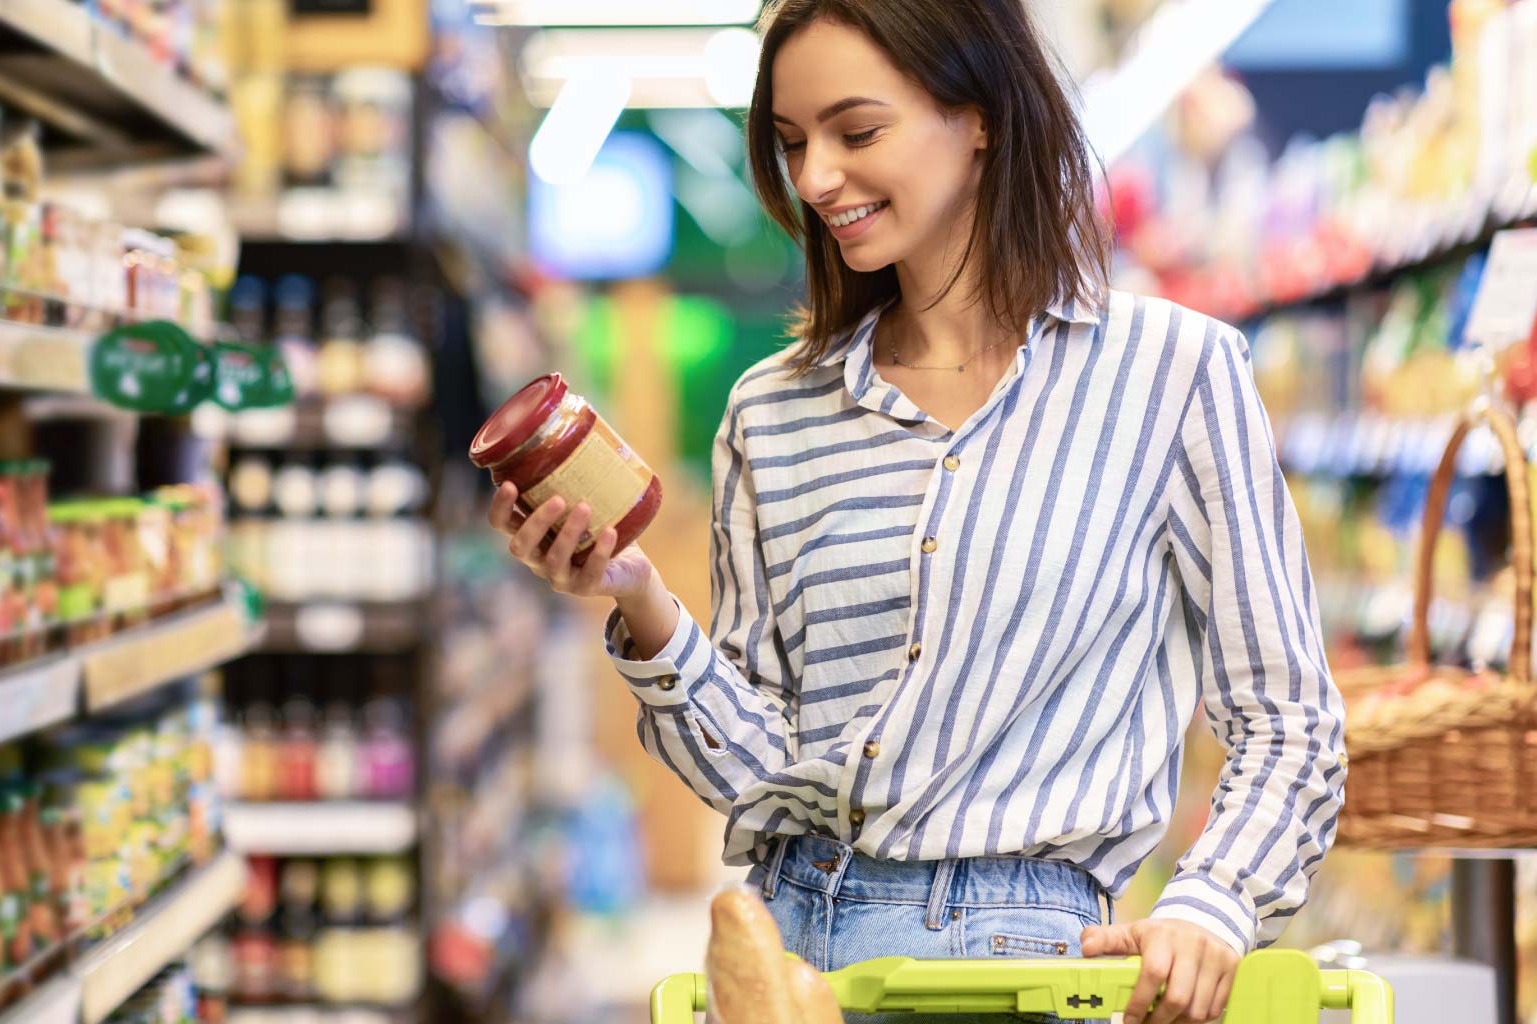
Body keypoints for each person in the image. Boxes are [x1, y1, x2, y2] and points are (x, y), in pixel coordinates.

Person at [486, 1, 1347, 1021]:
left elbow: (1289, 719)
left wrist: (1214, 903)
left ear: (979, 114)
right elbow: (761, 772)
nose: (816, 179)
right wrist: (639, 599)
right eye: (793, 144)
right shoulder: (772, 412)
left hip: (1026, 967)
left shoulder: (1172, 373)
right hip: (792, 957)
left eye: (857, 132)